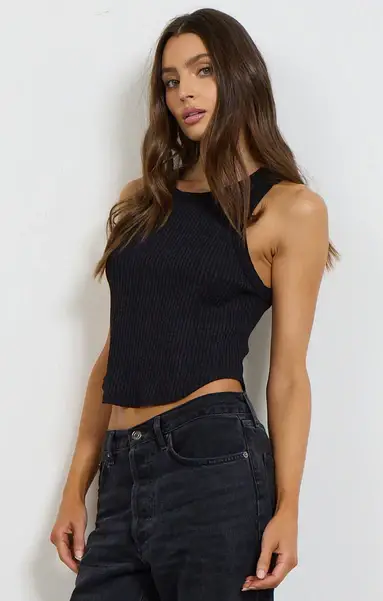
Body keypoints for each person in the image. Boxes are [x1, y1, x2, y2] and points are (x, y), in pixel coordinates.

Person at [50, 7, 338, 600]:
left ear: (240, 75)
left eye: (203, 70)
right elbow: (117, 351)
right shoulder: (144, 200)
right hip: (123, 470)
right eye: (171, 80)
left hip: (213, 464)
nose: (184, 91)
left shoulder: (290, 208)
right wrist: (76, 486)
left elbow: (288, 376)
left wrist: (288, 507)